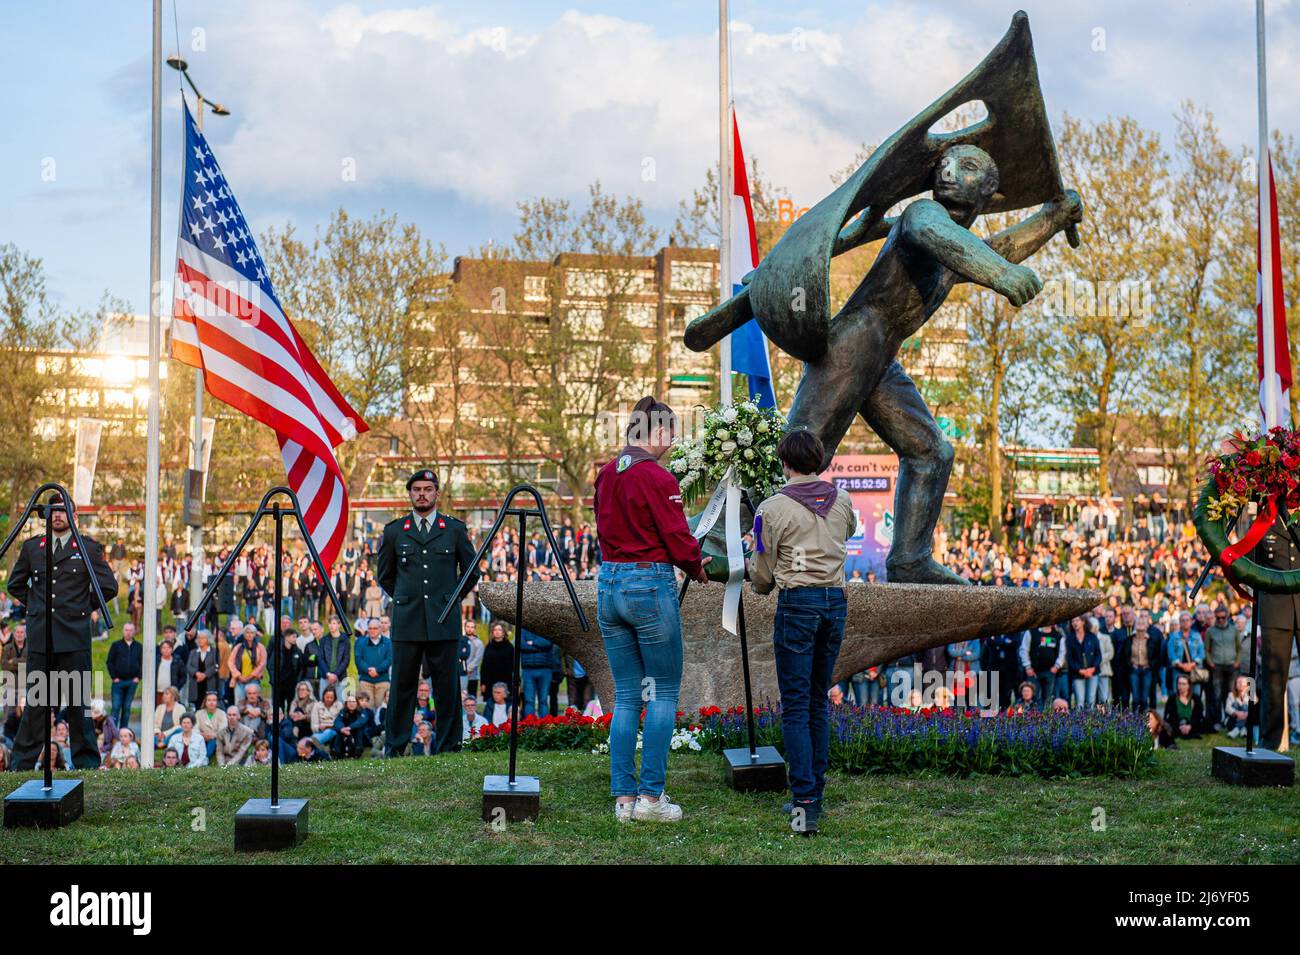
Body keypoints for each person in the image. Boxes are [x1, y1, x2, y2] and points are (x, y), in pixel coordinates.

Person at [594, 396, 709, 824]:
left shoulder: (607, 474)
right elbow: (678, 538)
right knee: (662, 693)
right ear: (657, 432)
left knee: (626, 696)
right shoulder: (659, 478)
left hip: (609, 582)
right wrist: (697, 567)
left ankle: (623, 800)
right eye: (672, 435)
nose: (673, 443)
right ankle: (651, 797)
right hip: (648, 583)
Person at [750, 429, 857, 835]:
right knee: (816, 700)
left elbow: (762, 570)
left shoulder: (771, 508)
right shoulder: (842, 499)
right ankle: (817, 794)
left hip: (798, 606)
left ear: (785, 463)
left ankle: (805, 802)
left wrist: (763, 584)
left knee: (795, 704)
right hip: (835, 604)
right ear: (819, 461)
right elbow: (846, 535)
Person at [7, 493, 119, 770]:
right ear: (46, 515)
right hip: (41, 637)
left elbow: (109, 587)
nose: (57, 515)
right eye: (53, 511)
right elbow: (15, 584)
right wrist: (35, 606)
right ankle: (21, 765)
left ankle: (86, 763)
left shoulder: (88, 548)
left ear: (74, 516)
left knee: (79, 706)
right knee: (37, 706)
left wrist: (82, 607)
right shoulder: (33, 548)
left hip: (74, 637)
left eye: (63, 510)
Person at [377, 468, 479, 757]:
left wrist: (451, 599)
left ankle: (449, 747)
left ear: (437, 493)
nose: (422, 494)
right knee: (402, 688)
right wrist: (404, 598)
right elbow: (385, 575)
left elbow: (471, 572)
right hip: (407, 621)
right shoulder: (395, 531)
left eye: (427, 489)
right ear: (410, 494)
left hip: (443, 620)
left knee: (447, 689)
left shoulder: (454, 530)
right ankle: (395, 747)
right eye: (417, 489)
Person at [106, 621, 143, 733]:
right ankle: (112, 733)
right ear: (123, 631)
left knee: (126, 708)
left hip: (132, 682)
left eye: (130, 630)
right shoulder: (116, 645)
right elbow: (110, 662)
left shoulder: (138, 646)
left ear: (134, 631)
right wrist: (114, 677)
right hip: (118, 681)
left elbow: (142, 663)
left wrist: (138, 677)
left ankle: (123, 732)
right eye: (126, 630)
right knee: (116, 707)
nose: (128, 632)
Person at [354, 617, 393, 708]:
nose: (372, 631)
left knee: (382, 708)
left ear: (380, 629)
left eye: (375, 628)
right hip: (365, 681)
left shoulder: (388, 643)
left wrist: (377, 670)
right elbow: (358, 659)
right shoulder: (361, 642)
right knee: (367, 708)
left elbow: (389, 660)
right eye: (370, 628)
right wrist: (368, 670)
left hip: (382, 681)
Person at [1065, 616, 1102, 709]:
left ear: (1083, 621)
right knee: (1080, 699)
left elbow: (1098, 655)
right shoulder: (1070, 638)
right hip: (1077, 673)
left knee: (1091, 699)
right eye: (1072, 621)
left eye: (1077, 620)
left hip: (1093, 672)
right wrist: (1079, 670)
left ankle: (1091, 722)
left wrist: (1092, 668)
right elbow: (1069, 658)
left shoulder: (1092, 636)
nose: (1074, 623)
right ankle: (1079, 722)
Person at [519, 628, 553, 718]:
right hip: (528, 670)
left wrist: (532, 643)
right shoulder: (523, 629)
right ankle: (529, 726)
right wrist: (540, 646)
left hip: (545, 670)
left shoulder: (545, 627)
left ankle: (544, 726)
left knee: (543, 701)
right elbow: (521, 644)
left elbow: (548, 643)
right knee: (529, 701)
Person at [316, 615, 352, 701]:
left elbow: (346, 660)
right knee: (323, 701)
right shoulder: (324, 640)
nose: (331, 626)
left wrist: (335, 674)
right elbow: (320, 658)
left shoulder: (345, 639)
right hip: (326, 677)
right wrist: (328, 674)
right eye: (330, 623)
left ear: (339, 625)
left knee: (341, 702)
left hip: (340, 676)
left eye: (334, 623)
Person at [479, 622, 514, 703]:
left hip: (505, 681)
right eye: (495, 630)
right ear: (492, 632)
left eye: (499, 630)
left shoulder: (509, 647)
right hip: (490, 682)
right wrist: (483, 683)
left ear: (503, 632)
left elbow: (513, 666)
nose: (497, 631)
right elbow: (484, 666)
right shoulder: (489, 646)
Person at [1163, 674, 1204, 740]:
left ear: (1189, 685)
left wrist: (1190, 726)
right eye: (1179, 684)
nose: (1181, 686)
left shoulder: (1196, 698)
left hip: (1192, 725)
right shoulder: (1172, 698)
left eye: (1184, 684)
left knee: (1204, 724)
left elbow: (1199, 716)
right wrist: (1180, 726)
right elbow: (1168, 717)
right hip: (1176, 725)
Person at [186, 629, 219, 709]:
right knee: (198, 706)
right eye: (199, 638)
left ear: (208, 639)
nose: (200, 640)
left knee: (209, 705)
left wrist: (205, 675)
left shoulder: (214, 652)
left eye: (203, 638)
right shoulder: (193, 652)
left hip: (209, 683)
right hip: (196, 683)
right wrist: (196, 673)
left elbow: (216, 666)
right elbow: (188, 666)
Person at [1223, 675, 1252, 740]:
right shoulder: (1231, 695)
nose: (1241, 684)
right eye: (1238, 682)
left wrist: (1246, 714)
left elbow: (1254, 709)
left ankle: (1237, 729)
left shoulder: (1250, 696)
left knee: (1245, 706)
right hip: (1233, 720)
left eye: (1243, 682)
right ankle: (1242, 730)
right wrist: (1236, 713)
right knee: (1236, 704)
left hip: (1245, 719)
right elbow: (1227, 708)